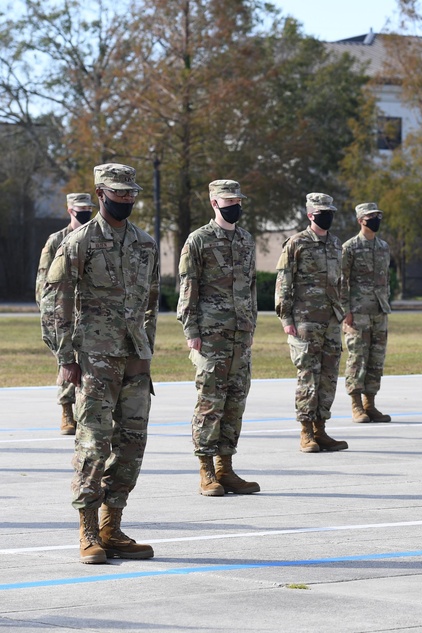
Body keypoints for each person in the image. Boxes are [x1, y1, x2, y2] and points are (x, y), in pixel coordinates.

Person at [46, 163, 158, 564]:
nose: (125, 199)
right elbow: (55, 300)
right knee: (94, 445)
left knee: (131, 444)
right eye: (118, 192)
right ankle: (88, 532)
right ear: (100, 193)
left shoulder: (145, 243)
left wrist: (147, 349)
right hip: (94, 358)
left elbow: (151, 301)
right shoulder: (79, 242)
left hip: (135, 359)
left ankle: (112, 526)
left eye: (131, 193)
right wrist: (64, 357)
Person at [177, 179, 259, 496]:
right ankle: (206, 470)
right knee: (210, 403)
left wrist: (251, 325)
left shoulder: (246, 240)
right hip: (211, 335)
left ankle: (226, 468)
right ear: (214, 203)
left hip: (241, 334)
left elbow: (250, 288)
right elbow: (188, 289)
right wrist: (192, 333)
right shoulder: (198, 241)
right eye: (229, 201)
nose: (235, 205)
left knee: (235, 401)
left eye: (239, 200)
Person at [275, 193, 349, 453]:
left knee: (329, 375)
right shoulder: (297, 243)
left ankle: (321, 428)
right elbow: (284, 280)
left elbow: (340, 282)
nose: (327, 215)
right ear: (310, 215)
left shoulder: (336, 244)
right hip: (305, 319)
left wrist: (344, 311)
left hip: (331, 318)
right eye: (321, 212)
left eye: (330, 211)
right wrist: (286, 318)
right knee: (308, 375)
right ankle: (306, 431)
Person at [36, 193, 96, 435]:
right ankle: (66, 411)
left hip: (89, 311)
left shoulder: (95, 237)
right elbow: (44, 280)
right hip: (64, 309)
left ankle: (89, 412)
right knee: (67, 360)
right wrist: (48, 313)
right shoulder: (56, 240)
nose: (85, 214)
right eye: (80, 210)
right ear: (70, 210)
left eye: (88, 209)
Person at [342, 202, 392, 424]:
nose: (376, 220)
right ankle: (356, 405)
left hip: (379, 311)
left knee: (376, 358)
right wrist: (345, 312)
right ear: (361, 220)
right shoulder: (349, 248)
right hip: (357, 312)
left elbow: (385, 279)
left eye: (378, 216)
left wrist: (386, 304)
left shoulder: (383, 247)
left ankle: (370, 404)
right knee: (357, 358)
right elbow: (342, 282)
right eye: (372, 216)